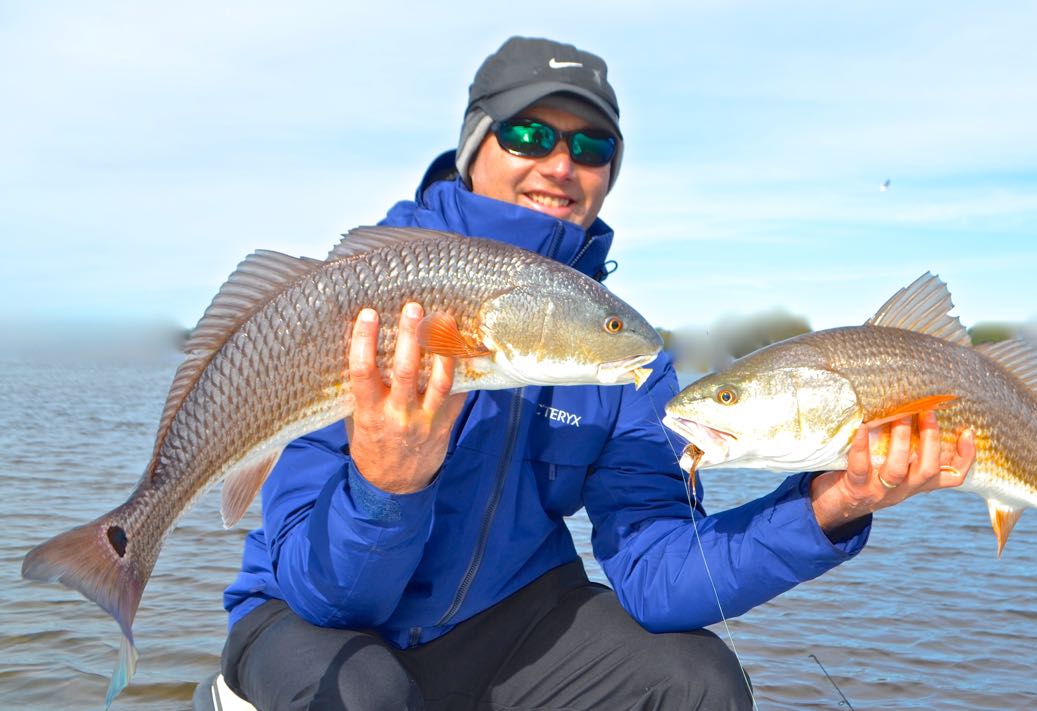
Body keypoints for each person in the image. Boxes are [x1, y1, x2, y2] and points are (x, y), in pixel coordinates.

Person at [219, 36, 977, 710]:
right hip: (312, 617)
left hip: (507, 621)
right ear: (473, 145)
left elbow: (658, 571)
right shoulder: (367, 303)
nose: (560, 165)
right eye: (527, 133)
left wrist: (827, 506)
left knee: (696, 678)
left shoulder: (625, 358)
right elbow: (329, 595)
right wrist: (385, 487)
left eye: (592, 146)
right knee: (363, 694)